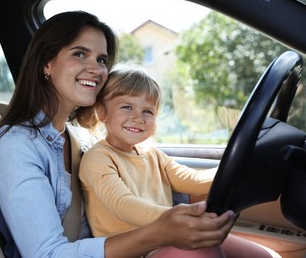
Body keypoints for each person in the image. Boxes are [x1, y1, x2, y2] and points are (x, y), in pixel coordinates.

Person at [0, 10, 238, 258]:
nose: (95, 69)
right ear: (46, 63)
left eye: (102, 60)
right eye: (80, 54)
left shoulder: (81, 138)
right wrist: (160, 232)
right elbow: (48, 254)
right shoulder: (14, 146)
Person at [79, 66, 280, 257]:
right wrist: (179, 219)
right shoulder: (98, 158)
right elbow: (124, 205)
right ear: (102, 113)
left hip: (169, 238)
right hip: (136, 250)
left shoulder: (152, 154)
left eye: (148, 111)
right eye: (127, 107)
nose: (138, 118)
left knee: (265, 255)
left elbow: (192, 179)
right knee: (205, 251)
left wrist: (239, 167)